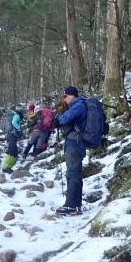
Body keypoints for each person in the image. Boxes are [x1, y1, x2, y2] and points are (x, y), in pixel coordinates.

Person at [54, 85, 87, 215]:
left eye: (65, 96)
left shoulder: (78, 105)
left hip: (75, 143)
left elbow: (65, 119)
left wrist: (58, 119)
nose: (65, 99)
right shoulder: (77, 105)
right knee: (75, 173)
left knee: (72, 173)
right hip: (75, 142)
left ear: (71, 95)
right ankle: (76, 205)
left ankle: (71, 206)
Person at [2, 106, 23, 172]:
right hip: (13, 134)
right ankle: (5, 167)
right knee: (12, 149)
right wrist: (19, 128)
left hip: (10, 134)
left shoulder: (12, 115)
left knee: (14, 150)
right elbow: (14, 122)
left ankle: (8, 167)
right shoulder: (17, 115)